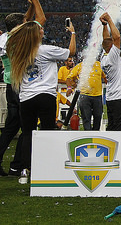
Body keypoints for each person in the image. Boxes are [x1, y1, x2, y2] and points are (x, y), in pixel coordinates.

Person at [7, 18, 76, 184]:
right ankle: (47, 169)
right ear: (35, 35)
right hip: (45, 95)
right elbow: (71, 52)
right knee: (47, 132)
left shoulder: (19, 51)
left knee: (27, 134)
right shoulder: (45, 50)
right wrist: (73, 33)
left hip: (26, 97)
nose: (43, 31)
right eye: (40, 30)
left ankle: (25, 170)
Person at [0, 0, 46, 177]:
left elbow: (24, 22)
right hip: (21, 86)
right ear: (20, 28)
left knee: (12, 128)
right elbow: (39, 21)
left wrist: (29, 7)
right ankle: (17, 165)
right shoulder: (17, 38)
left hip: (10, 86)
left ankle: (14, 164)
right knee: (27, 127)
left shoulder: (5, 37)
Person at [99, 13, 121, 131]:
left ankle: (109, 148)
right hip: (120, 96)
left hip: (111, 97)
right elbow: (117, 37)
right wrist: (109, 19)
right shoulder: (113, 56)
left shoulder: (104, 57)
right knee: (119, 127)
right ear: (112, 47)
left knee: (111, 126)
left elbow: (105, 40)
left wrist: (104, 25)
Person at [66, 59, 106, 131]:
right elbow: (69, 78)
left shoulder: (99, 65)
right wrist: (69, 87)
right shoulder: (80, 66)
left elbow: (106, 77)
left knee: (98, 116)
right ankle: (88, 134)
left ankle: (96, 134)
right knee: (86, 117)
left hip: (97, 95)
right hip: (84, 95)